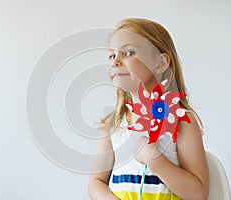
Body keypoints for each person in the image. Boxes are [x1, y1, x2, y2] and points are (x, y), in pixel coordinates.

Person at [88, 18, 209, 200]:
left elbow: (198, 193)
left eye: (128, 52)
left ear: (160, 63)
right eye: (112, 56)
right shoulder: (113, 125)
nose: (115, 62)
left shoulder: (182, 121)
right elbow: (95, 182)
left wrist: (155, 161)